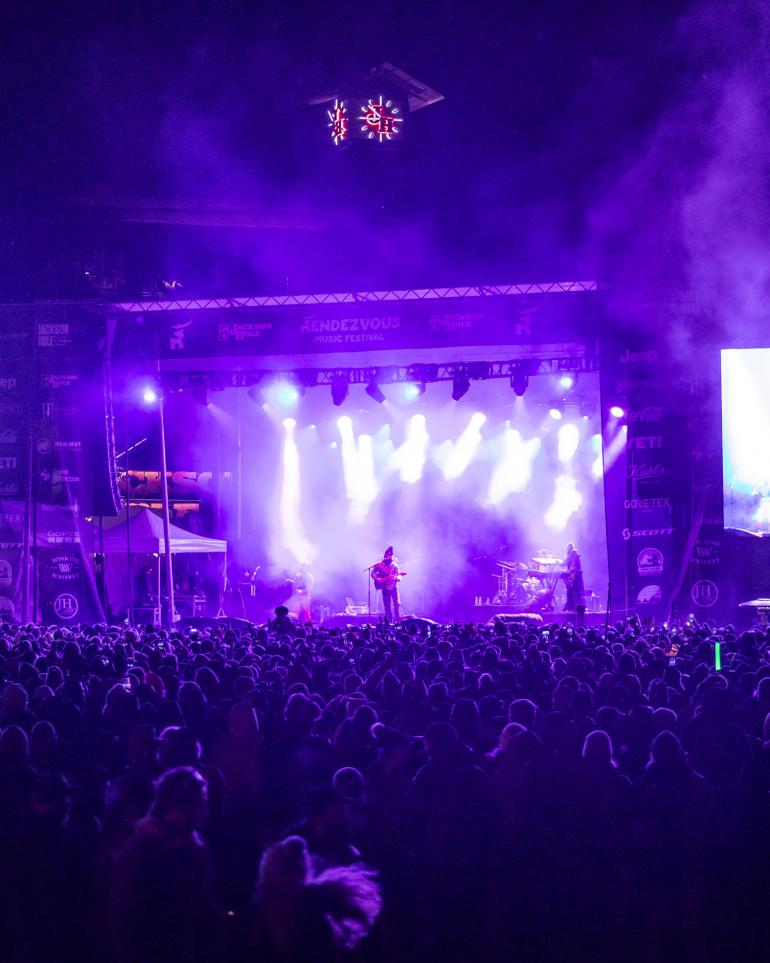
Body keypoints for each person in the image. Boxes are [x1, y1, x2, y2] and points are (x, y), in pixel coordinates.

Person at [372, 547, 403, 623]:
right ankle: (390, 621)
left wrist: (397, 578)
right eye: (386, 555)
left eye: (389, 555)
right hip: (385, 587)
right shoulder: (380, 565)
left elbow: (399, 575)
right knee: (387, 605)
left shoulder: (395, 565)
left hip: (394, 587)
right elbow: (373, 572)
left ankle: (398, 620)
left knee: (396, 604)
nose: (387, 556)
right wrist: (377, 579)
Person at [564, 542, 586, 626]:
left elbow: (565, 562)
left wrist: (558, 562)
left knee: (570, 590)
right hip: (578, 575)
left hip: (574, 575)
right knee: (577, 592)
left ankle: (570, 606)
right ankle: (575, 607)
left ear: (569, 548)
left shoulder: (572, 553)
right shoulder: (575, 553)